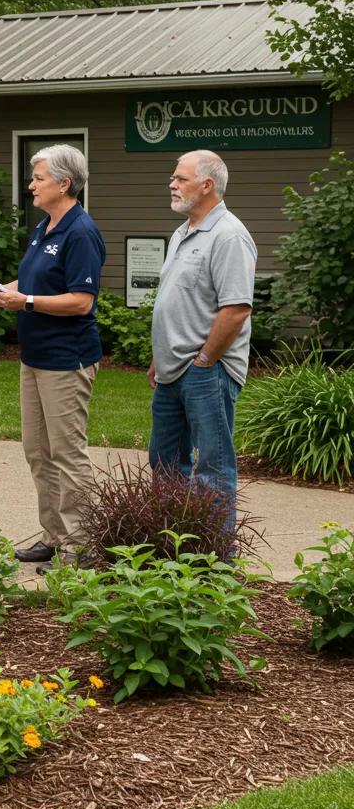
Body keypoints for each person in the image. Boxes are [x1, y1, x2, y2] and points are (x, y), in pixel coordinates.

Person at [0, 144, 106, 572]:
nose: (31, 185)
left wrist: (25, 302)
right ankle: (54, 537)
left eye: (38, 179)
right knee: (38, 452)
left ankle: (81, 545)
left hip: (66, 360)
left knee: (67, 454)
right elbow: (31, 280)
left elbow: (81, 301)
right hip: (34, 359)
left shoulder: (81, 232)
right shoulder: (45, 226)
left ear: (64, 184)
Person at [148, 150, 256, 533]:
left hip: (207, 371)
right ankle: (170, 550)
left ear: (207, 185)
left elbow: (237, 309)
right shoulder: (183, 232)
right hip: (172, 370)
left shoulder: (229, 236)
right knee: (163, 461)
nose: (171, 184)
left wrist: (206, 359)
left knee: (213, 467)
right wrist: (158, 358)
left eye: (180, 178)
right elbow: (178, 302)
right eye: (173, 178)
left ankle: (215, 562)